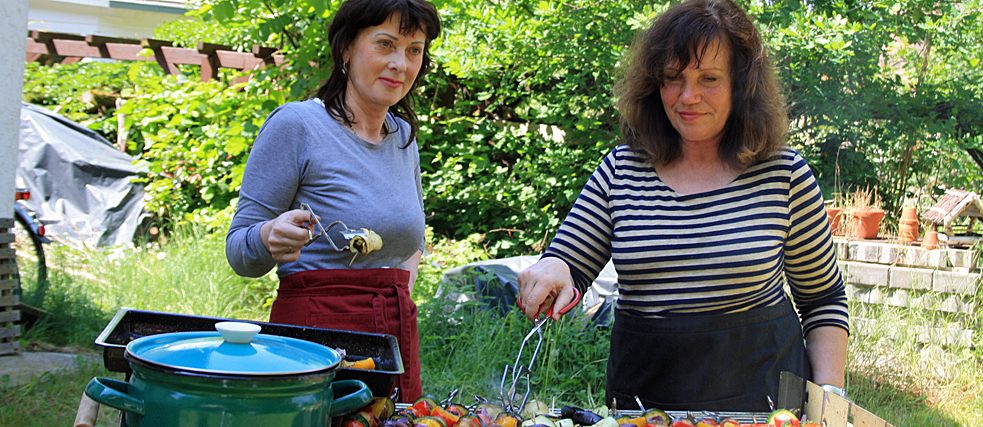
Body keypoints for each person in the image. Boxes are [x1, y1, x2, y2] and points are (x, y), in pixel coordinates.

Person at [517, 0, 848, 411]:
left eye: (709, 78)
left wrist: (830, 398)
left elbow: (823, 300)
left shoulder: (784, 176)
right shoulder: (623, 169)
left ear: (741, 84)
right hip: (643, 408)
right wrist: (553, 269)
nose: (688, 96)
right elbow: (569, 260)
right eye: (673, 77)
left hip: (764, 408)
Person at [226, 0, 440, 402]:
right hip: (315, 345)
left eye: (414, 50)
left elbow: (412, 242)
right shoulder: (297, 126)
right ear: (346, 49)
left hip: (393, 338)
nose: (401, 63)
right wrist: (268, 236)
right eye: (385, 44)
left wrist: (398, 298)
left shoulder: (403, 138)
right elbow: (239, 251)